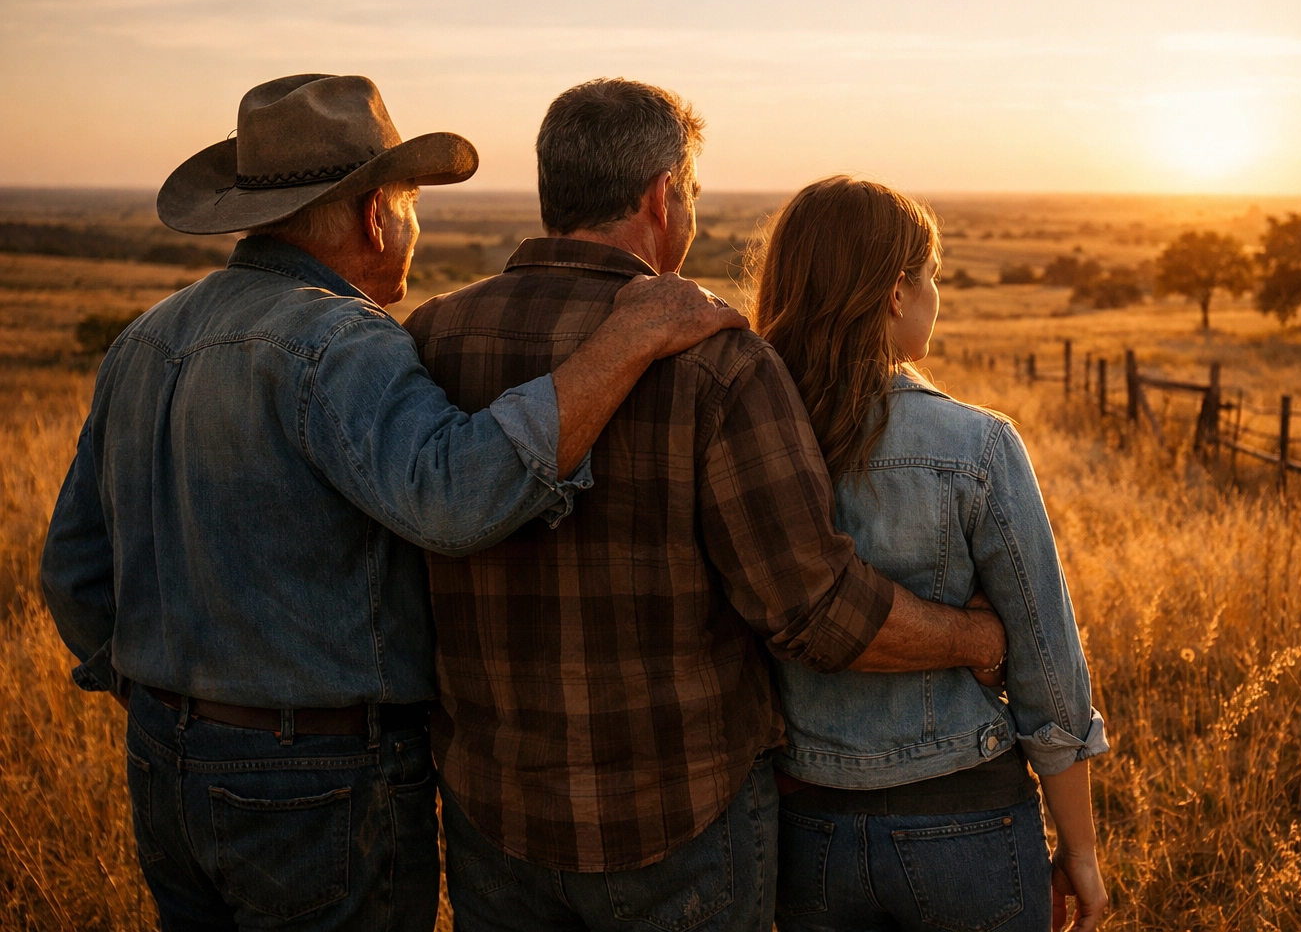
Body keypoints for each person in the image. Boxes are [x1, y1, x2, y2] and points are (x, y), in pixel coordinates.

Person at [39, 73, 746, 931]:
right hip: (319, 778)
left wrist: (173, 701)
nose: (414, 222)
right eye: (411, 202)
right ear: (378, 215)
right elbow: (454, 502)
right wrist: (623, 342)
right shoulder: (341, 342)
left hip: (160, 762)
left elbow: (73, 570)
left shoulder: (145, 338)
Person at [403, 78, 1006, 932]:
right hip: (680, 825)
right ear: (662, 197)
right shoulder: (717, 362)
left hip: (494, 817)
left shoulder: (433, 337)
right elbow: (814, 609)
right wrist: (976, 636)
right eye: (688, 191)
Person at [752, 177, 1110, 932]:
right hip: (967, 817)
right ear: (894, 293)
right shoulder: (975, 446)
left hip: (806, 828)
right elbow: (1049, 672)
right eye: (933, 275)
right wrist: (1079, 848)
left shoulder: (743, 440)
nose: (937, 295)